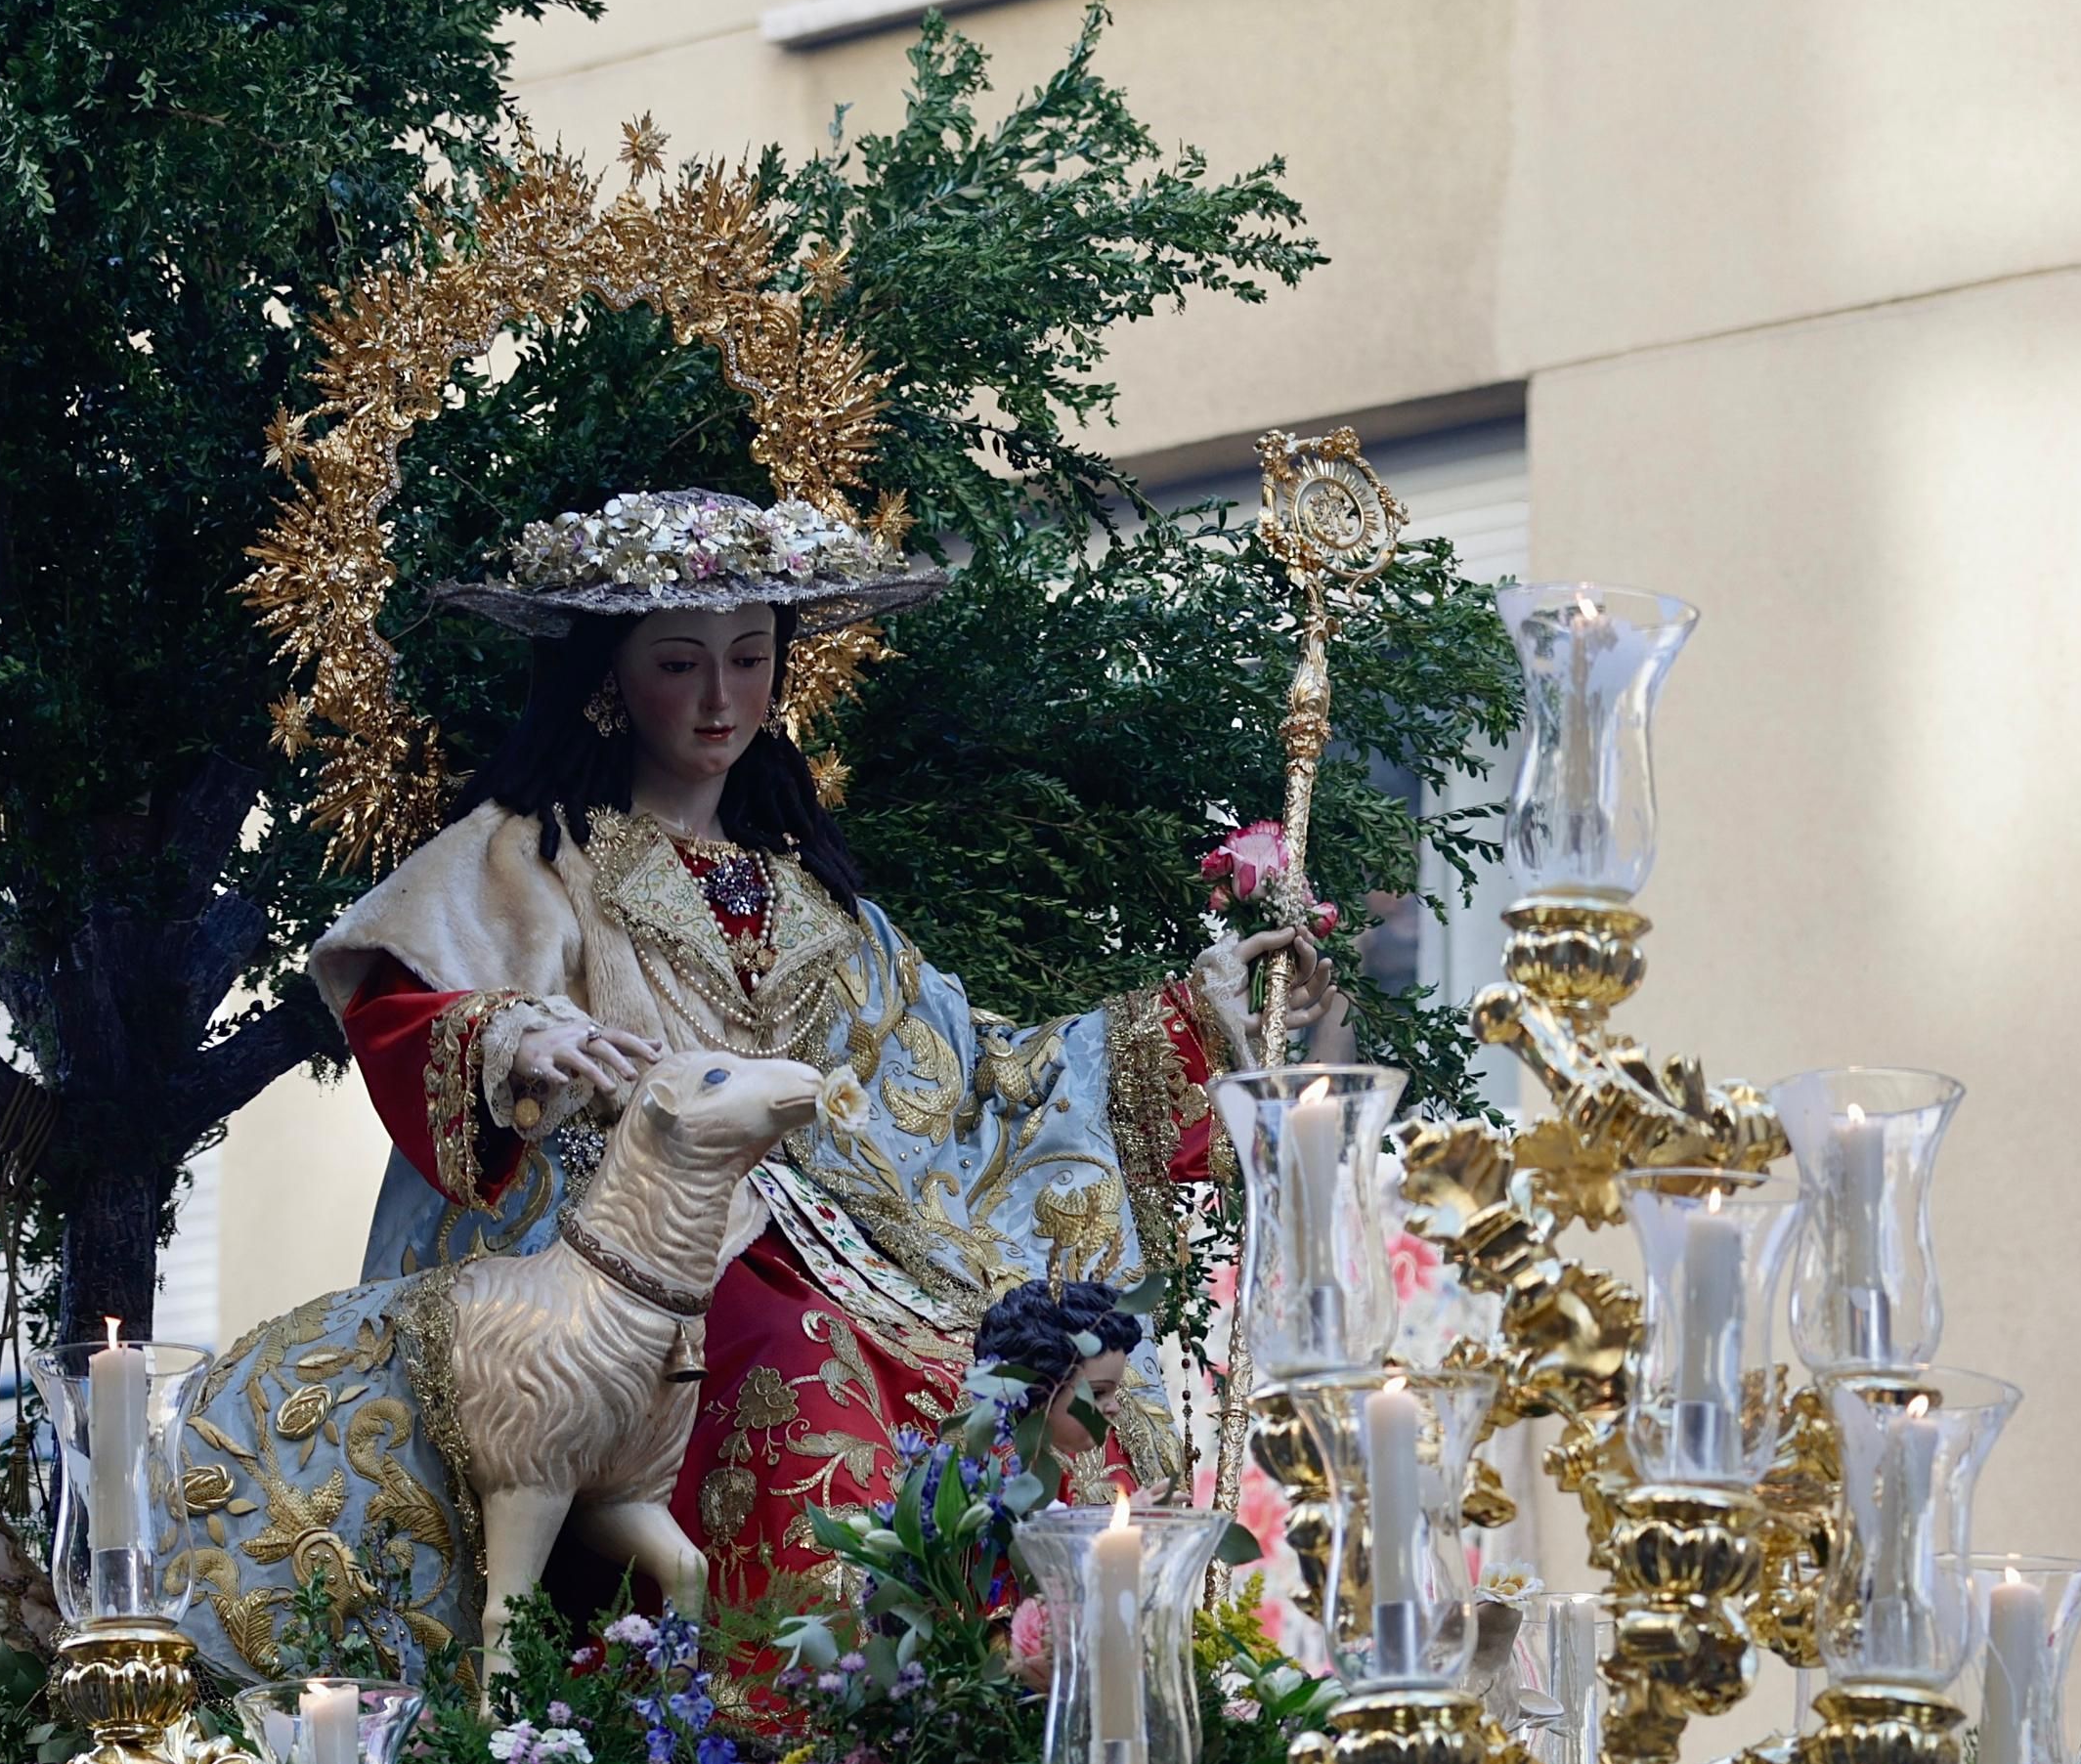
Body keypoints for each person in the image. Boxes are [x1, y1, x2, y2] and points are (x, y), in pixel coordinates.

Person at [309, 488, 1331, 1604]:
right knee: (803, 1367)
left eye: (748, 660)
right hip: (652, 1247)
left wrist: (1191, 1017)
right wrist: (513, 1036)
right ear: (608, 676)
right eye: (677, 664)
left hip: (861, 1236)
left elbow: (974, 1076)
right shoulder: (530, 857)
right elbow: (400, 1004)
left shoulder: (812, 897)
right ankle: (772, 1729)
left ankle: (1004, 1711)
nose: (718, 700)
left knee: (1055, 1389)